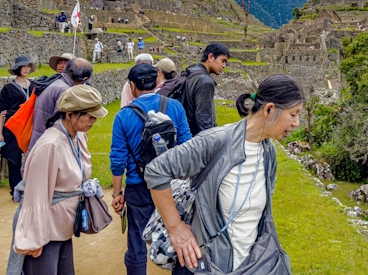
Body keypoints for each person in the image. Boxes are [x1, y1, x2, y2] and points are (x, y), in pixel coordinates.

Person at [146, 74, 304, 274]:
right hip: (206, 265)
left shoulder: (268, 151)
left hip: (250, 266)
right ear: (269, 109)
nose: (297, 123)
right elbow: (156, 171)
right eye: (293, 114)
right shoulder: (216, 142)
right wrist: (176, 228)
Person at [11, 85, 108, 275]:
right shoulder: (50, 145)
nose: (93, 120)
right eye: (89, 115)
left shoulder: (73, 137)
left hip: (62, 230)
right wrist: (33, 239)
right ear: (70, 114)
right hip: (45, 234)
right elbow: (35, 196)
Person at [110, 63, 192, 275]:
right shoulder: (174, 107)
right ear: (157, 81)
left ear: (132, 85)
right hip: (171, 185)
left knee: (136, 242)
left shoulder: (124, 116)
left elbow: (118, 159)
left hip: (139, 185)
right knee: (177, 233)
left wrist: (118, 192)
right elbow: (187, 146)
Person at [28, 58, 93, 153]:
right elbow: (63, 126)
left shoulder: (56, 82)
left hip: (41, 141)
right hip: (49, 147)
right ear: (84, 79)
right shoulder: (65, 91)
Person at [0, 56, 37, 195]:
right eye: (23, 66)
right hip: (12, 128)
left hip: (30, 127)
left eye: (28, 66)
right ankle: (16, 190)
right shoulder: (8, 88)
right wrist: (0, 133)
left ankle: (30, 188)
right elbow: (1, 112)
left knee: (31, 158)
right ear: (17, 68)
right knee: (14, 160)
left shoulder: (34, 86)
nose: (26, 69)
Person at [181, 42, 230, 136]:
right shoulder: (205, 82)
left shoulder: (191, 71)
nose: (224, 66)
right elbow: (204, 121)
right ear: (211, 57)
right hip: (195, 140)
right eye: (223, 61)